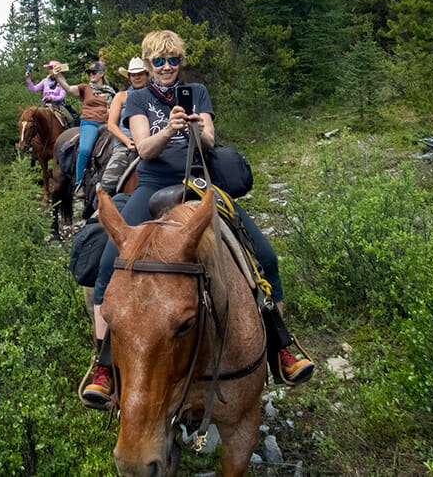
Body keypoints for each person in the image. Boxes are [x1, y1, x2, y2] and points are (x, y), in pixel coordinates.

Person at [81, 30, 313, 407]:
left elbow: (209, 140)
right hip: (153, 183)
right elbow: (143, 148)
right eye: (160, 61)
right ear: (149, 63)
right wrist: (168, 129)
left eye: (173, 60)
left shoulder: (198, 92)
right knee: (109, 264)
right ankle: (104, 363)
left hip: (200, 182)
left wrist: (194, 127)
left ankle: (280, 345)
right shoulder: (137, 98)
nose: (168, 67)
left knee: (266, 257)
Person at [53, 61, 116, 198]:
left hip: (107, 124)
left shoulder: (110, 92)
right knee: (85, 149)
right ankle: (79, 183)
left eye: (93, 72)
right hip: (90, 123)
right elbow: (68, 88)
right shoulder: (85, 88)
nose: (91, 75)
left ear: (101, 74)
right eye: (89, 73)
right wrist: (59, 76)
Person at [98, 57, 149, 195]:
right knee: (108, 182)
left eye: (140, 74)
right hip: (125, 144)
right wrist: (128, 142)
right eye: (133, 75)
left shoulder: (153, 96)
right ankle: (100, 209)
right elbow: (112, 125)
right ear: (129, 77)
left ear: (147, 75)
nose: (137, 77)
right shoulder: (121, 96)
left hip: (150, 143)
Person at [26, 60, 76, 126]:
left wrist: (52, 98)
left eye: (51, 68)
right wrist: (28, 78)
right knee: (34, 120)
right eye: (49, 69)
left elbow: (62, 96)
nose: (50, 70)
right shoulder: (45, 81)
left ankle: (71, 134)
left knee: (71, 120)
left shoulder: (62, 82)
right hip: (45, 104)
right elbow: (33, 88)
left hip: (58, 105)